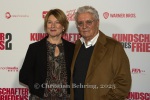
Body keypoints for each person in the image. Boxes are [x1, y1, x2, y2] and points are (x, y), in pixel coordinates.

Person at [70, 6, 131, 100]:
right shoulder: (77, 45)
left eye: (89, 22)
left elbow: (123, 82)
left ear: (97, 23)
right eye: (80, 23)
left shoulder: (113, 47)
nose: (84, 26)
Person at [19, 8, 75, 100]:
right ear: (46, 26)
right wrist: (36, 88)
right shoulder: (35, 48)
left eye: (57, 22)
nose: (53, 26)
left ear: (63, 26)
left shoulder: (72, 48)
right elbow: (23, 76)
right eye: (49, 22)